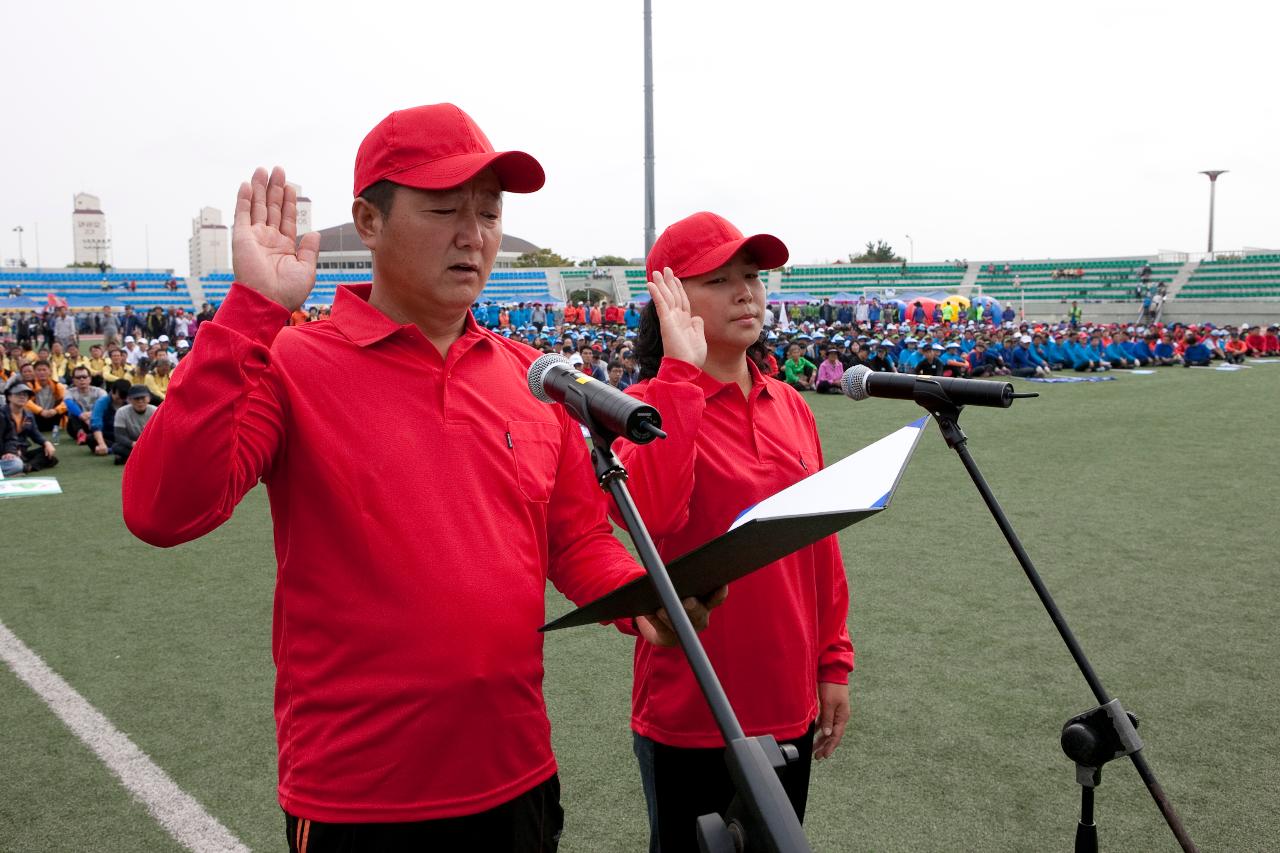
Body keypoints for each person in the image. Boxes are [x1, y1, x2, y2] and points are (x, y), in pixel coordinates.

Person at [121, 104, 713, 852]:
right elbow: (160, 509)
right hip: (358, 800)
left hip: (516, 777)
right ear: (368, 221)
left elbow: (576, 538)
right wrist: (251, 312)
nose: (475, 234)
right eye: (444, 210)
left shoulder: (533, 381)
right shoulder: (294, 363)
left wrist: (640, 600)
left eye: (490, 213)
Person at [623, 211, 852, 852]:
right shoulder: (644, 408)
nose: (746, 292)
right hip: (692, 710)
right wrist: (679, 376)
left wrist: (833, 661)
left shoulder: (792, 404)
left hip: (788, 703)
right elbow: (655, 515)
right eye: (719, 279)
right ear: (670, 297)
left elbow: (821, 545)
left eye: (752, 275)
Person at [2, 383, 58, 475]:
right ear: (9, 397)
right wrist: (10, 451)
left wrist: (46, 443)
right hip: (6, 453)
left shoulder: (29, 415)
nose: (22, 397)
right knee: (15, 464)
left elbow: (35, 434)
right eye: (18, 394)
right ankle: (20, 467)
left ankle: (27, 467)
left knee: (49, 455)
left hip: (22, 451)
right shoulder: (2, 414)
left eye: (25, 395)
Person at [112, 384, 155, 464]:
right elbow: (119, 435)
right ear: (129, 400)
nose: (140, 401)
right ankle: (145, 458)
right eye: (136, 398)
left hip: (150, 444)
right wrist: (132, 443)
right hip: (132, 445)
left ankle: (132, 458)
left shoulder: (155, 411)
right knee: (116, 447)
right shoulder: (121, 412)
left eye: (143, 398)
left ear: (149, 398)